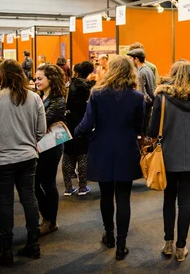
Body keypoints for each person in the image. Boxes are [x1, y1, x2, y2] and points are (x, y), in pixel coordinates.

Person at [74, 55, 145, 261]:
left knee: (106, 196)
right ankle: (122, 245)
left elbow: (86, 125)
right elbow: (140, 127)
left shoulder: (97, 94)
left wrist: (75, 133)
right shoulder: (137, 97)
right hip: (126, 148)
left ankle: (110, 235)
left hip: (101, 148)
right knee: (124, 198)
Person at [0, 59, 46, 266]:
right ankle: (33, 244)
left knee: (4, 203)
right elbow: (41, 131)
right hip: (28, 157)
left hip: (1, 160)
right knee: (29, 198)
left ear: (1, 76)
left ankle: (6, 250)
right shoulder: (34, 97)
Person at [147, 60, 190, 262]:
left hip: (167, 154)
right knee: (185, 202)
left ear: (172, 74)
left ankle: (168, 243)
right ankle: (181, 247)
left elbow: (151, 130)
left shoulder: (163, 97)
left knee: (169, 198)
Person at [34, 64, 66, 236]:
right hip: (40, 146)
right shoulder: (40, 96)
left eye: (40, 78)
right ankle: (46, 217)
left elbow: (42, 123)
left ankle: (50, 220)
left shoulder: (58, 99)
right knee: (36, 183)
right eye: (36, 78)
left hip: (51, 146)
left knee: (48, 183)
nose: (36, 81)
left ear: (51, 79)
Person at [62, 61, 96, 196]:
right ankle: (83, 186)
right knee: (83, 153)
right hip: (83, 121)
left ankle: (68, 187)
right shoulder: (89, 86)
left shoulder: (69, 84)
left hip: (68, 121)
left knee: (68, 153)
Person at [126, 48, 155, 135]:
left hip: (145, 106)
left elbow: (142, 94)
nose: (130, 61)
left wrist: (149, 102)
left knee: (142, 133)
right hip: (149, 106)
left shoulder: (141, 73)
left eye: (131, 58)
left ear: (136, 59)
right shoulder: (148, 69)